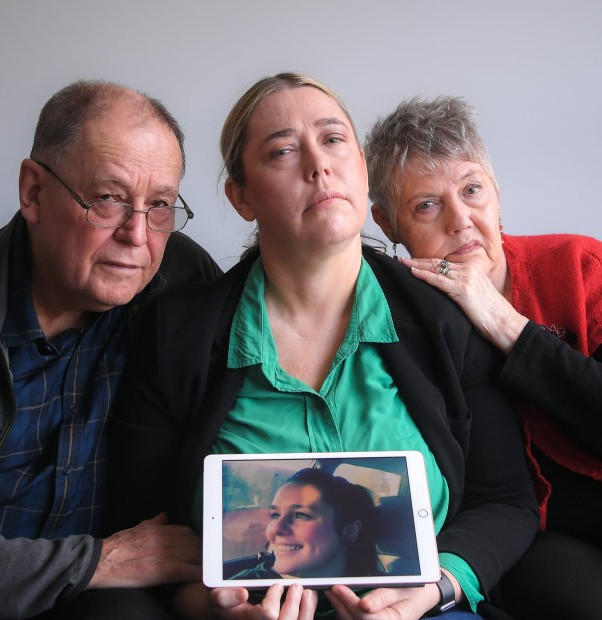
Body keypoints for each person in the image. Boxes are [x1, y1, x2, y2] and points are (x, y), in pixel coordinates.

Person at [108, 73, 538, 620]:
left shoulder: (445, 318)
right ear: (241, 196)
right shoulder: (174, 334)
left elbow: (506, 501)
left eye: (333, 140)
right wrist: (209, 608)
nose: (319, 165)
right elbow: (141, 533)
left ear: (361, 167)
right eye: (283, 151)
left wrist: (435, 588)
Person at [0, 80, 221, 620]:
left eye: (159, 205)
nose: (137, 235)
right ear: (33, 192)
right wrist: (93, 562)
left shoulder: (180, 281)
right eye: (110, 198)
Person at [364, 95, 602, 620]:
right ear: (386, 223)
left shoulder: (578, 265)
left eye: (472, 190)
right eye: (427, 205)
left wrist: (505, 324)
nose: (460, 219)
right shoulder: (389, 315)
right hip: (528, 533)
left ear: (495, 192)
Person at [229, 468, 382, 580]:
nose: (275, 529)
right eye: (275, 515)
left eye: (300, 515)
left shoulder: (380, 594)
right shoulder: (243, 590)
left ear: (350, 531)